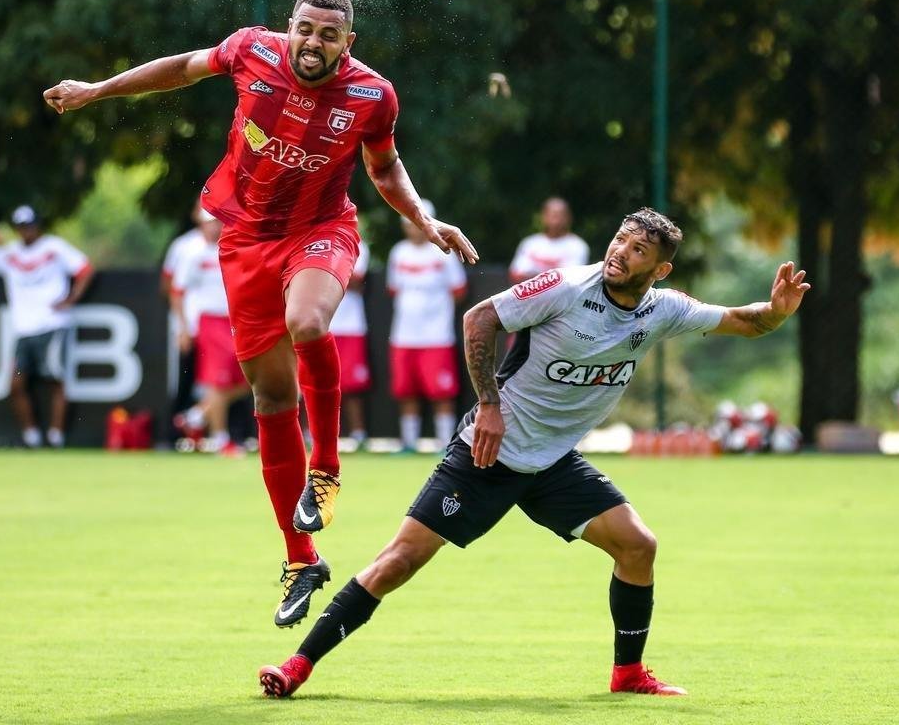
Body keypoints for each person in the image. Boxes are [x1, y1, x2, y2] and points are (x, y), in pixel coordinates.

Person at [43, 0, 479, 628]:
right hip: (244, 239)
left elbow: (384, 169)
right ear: (291, 28)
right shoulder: (250, 50)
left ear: (347, 44)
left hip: (322, 229)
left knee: (308, 321)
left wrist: (423, 218)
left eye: (330, 35)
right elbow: (180, 70)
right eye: (306, 29)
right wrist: (97, 90)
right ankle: (301, 559)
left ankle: (325, 469)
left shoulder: (372, 95)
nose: (314, 43)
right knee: (272, 399)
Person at [258, 208, 811, 698]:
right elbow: (479, 318)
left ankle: (628, 673)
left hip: (551, 465)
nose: (621, 251)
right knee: (397, 563)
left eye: (638, 249)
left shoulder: (662, 309)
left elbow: (745, 321)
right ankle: (298, 665)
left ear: (660, 269)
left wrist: (778, 311)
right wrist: (489, 406)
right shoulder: (567, 287)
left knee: (638, 547)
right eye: (620, 239)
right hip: (486, 454)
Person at [0, 205, 94, 448]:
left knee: (56, 379)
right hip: (23, 330)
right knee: (16, 383)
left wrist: (72, 298)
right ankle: (31, 437)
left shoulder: (54, 247)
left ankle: (56, 437)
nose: (27, 231)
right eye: (22, 227)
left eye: (30, 225)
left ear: (38, 225)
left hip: (52, 326)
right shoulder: (9, 253)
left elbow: (85, 269)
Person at [386, 200, 468, 452]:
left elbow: (458, 290)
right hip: (403, 336)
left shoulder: (443, 251)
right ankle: (408, 443)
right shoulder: (398, 253)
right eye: (408, 223)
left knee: (441, 392)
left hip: (437, 336)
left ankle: (446, 443)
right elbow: (393, 289)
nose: (413, 227)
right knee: (405, 390)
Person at [169, 208, 251, 456]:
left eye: (216, 223)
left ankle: (195, 416)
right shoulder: (192, 254)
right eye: (208, 223)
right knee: (218, 381)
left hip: (233, 322)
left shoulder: (232, 248)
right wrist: (183, 328)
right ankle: (220, 439)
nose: (213, 228)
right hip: (209, 323)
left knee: (248, 380)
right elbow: (177, 292)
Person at [161, 201, 207, 446]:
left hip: (221, 325)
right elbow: (169, 286)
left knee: (228, 380)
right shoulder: (184, 246)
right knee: (185, 380)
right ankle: (174, 435)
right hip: (190, 325)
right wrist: (182, 325)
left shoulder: (231, 239)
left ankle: (229, 432)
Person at [328, 238, 372, 448]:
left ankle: (358, 433)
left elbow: (355, 280)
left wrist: (321, 271)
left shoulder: (357, 244)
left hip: (351, 326)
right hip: (321, 324)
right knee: (312, 382)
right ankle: (314, 435)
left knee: (352, 385)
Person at [509, 197, 590, 283]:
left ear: (569, 218)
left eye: (560, 216)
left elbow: (572, 280)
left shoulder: (577, 246)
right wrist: (551, 278)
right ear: (543, 217)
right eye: (552, 215)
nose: (556, 221)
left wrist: (534, 278)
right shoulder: (529, 244)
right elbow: (516, 274)